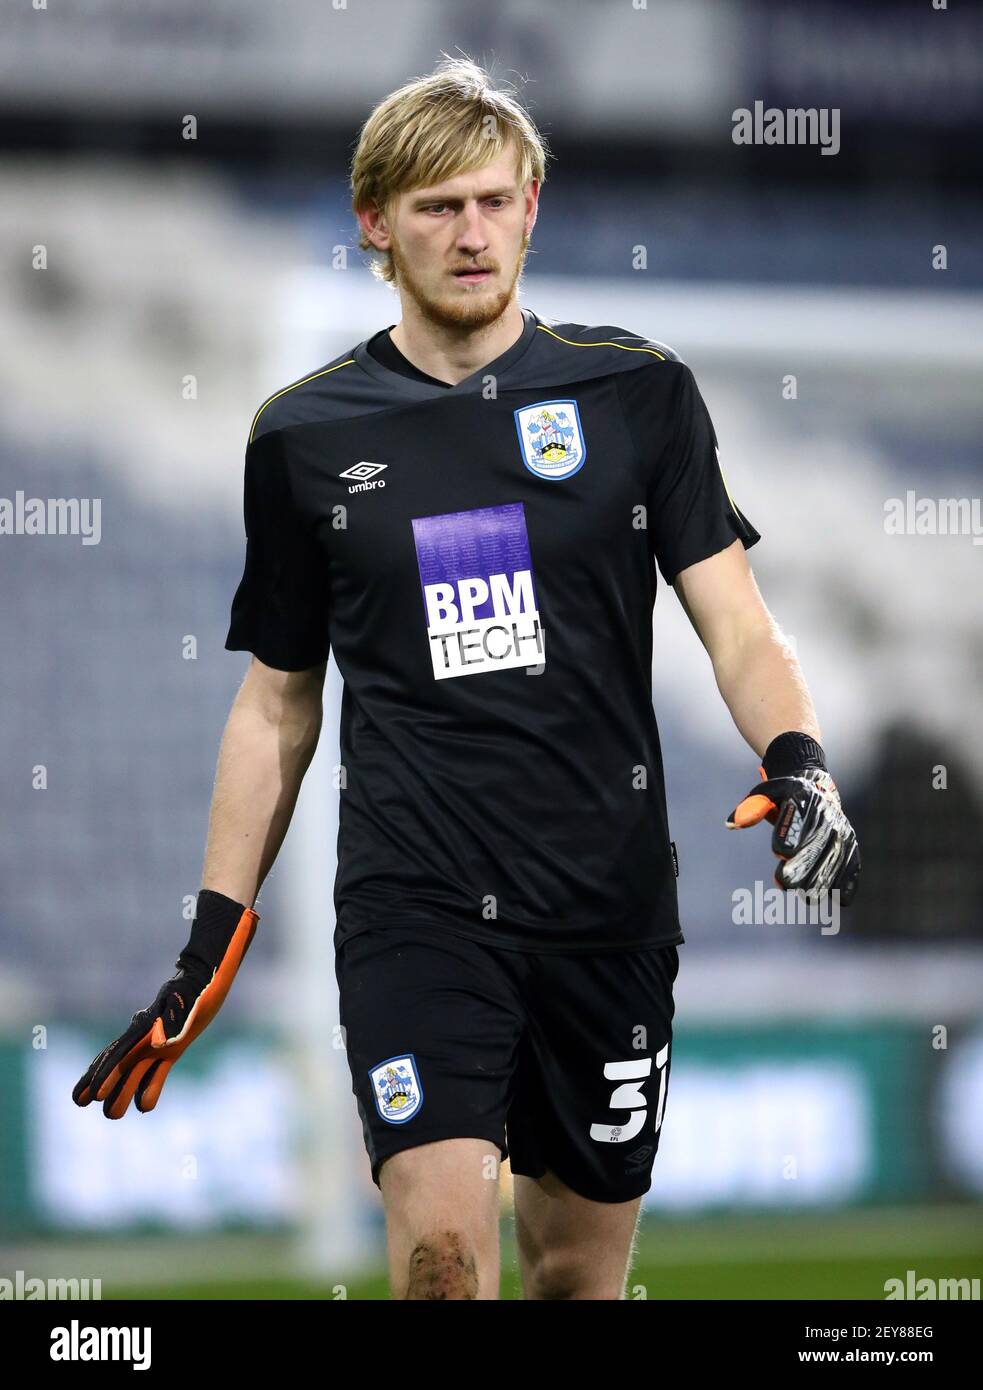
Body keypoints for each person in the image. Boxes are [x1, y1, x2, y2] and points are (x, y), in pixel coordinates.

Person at [72, 56, 860, 1300]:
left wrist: (798, 757)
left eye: (494, 200)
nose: (471, 231)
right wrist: (211, 934)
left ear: (532, 204)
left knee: (571, 1280)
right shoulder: (303, 436)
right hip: (413, 906)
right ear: (374, 224)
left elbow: (740, 628)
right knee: (442, 1262)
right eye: (437, 207)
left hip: (603, 905)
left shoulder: (637, 392)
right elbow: (277, 702)